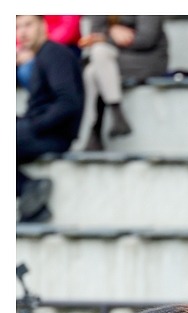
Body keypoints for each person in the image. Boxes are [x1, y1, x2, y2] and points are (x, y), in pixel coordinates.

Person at [16, 14, 84, 223]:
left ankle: (29, 188)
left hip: (53, 135)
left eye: (28, 25)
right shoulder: (42, 57)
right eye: (18, 27)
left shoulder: (54, 54)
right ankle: (35, 204)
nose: (23, 32)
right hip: (41, 129)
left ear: (43, 25)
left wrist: (34, 125)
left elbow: (68, 102)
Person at [78, 15, 169, 150]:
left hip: (147, 59)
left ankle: (96, 131)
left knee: (97, 59)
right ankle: (115, 116)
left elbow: (146, 39)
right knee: (91, 70)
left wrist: (106, 37)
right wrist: (113, 32)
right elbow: (95, 34)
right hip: (112, 58)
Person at [17, 15, 81, 89]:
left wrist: (40, 48)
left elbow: (69, 29)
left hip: (65, 46)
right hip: (36, 47)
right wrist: (21, 50)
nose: (22, 32)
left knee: (26, 70)